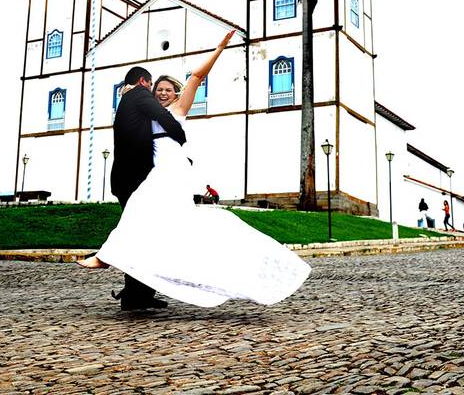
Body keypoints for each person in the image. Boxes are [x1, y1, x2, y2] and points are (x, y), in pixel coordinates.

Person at [78, 30, 311, 308]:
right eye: (158, 90)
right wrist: (129, 91)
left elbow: (197, 77)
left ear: (175, 93)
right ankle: (135, 284)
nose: (162, 93)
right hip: (156, 172)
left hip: (172, 170)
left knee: (138, 210)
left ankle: (106, 258)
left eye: (167, 90)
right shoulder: (145, 111)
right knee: (160, 224)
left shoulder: (178, 109)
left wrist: (220, 47)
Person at [79, 64, 187, 311]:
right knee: (140, 234)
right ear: (143, 82)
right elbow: (162, 116)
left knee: (143, 234)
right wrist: (180, 136)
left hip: (130, 178)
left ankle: (139, 292)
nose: (155, 93)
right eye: (152, 87)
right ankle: (134, 294)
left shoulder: (127, 99)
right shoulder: (138, 95)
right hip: (134, 179)